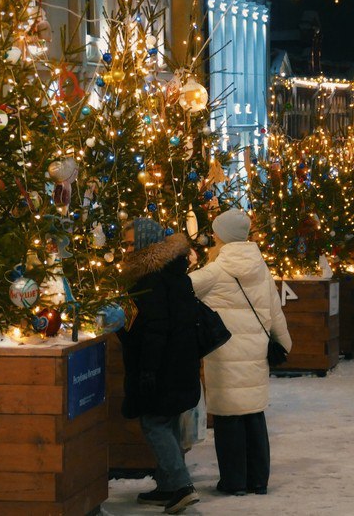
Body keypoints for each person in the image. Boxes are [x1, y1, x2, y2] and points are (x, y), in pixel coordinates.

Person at [189, 209, 292, 496]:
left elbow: (185, 290)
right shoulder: (261, 268)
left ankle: (234, 482)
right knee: (254, 416)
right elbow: (274, 310)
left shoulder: (215, 270)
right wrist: (284, 342)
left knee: (228, 419)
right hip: (256, 352)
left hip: (224, 356)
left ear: (221, 235)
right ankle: (258, 481)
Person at [117, 219, 201, 514]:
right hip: (180, 362)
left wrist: (147, 369)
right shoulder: (173, 272)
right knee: (169, 422)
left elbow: (154, 328)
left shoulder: (150, 279)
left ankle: (181, 487)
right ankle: (167, 485)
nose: (126, 249)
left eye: (130, 243)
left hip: (163, 364)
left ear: (143, 244)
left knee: (154, 423)